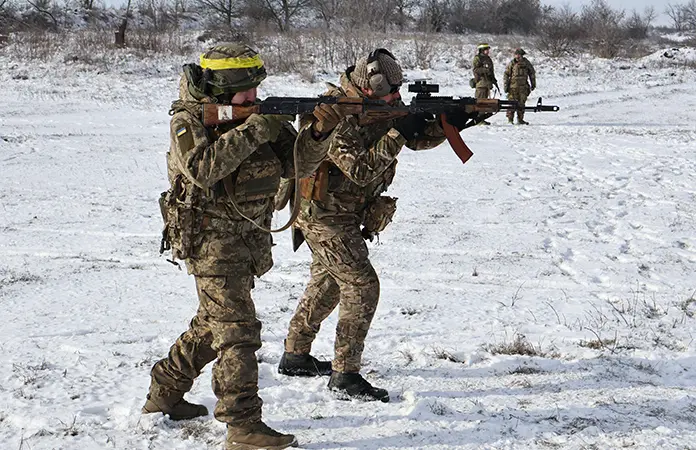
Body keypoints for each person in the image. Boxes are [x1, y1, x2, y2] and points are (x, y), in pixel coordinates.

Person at [142, 43, 333, 450]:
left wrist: (318, 133)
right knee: (238, 333)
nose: (254, 97)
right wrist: (256, 128)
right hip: (210, 243)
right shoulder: (188, 119)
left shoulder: (257, 116)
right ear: (222, 90)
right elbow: (202, 169)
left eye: (256, 89)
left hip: (245, 241)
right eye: (246, 91)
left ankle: (164, 391)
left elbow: (298, 164)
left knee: (211, 327)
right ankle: (242, 424)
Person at [276, 49, 470, 402]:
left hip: (345, 212)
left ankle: (295, 355)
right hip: (323, 215)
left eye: (398, 93)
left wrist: (452, 123)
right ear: (368, 89)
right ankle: (345, 375)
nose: (397, 98)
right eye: (391, 94)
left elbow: (415, 138)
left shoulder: (377, 106)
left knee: (328, 284)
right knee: (362, 285)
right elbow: (361, 169)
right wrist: (398, 132)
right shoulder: (334, 114)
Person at [504, 48, 536, 125]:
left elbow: (532, 74)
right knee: (511, 103)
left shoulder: (526, 63)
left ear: (522, 55)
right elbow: (506, 74)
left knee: (521, 104)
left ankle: (520, 119)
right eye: (516, 55)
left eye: (519, 55)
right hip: (513, 87)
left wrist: (533, 84)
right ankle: (510, 119)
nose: (517, 56)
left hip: (523, 87)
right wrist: (506, 85)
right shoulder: (512, 63)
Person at [472, 43, 498, 126]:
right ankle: (478, 119)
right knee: (480, 101)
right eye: (486, 50)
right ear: (482, 50)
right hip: (481, 83)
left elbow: (491, 71)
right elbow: (475, 70)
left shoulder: (488, 59)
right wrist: (484, 70)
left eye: (488, 49)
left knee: (485, 102)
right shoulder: (478, 58)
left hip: (487, 83)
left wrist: (493, 80)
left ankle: (481, 119)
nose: (488, 51)